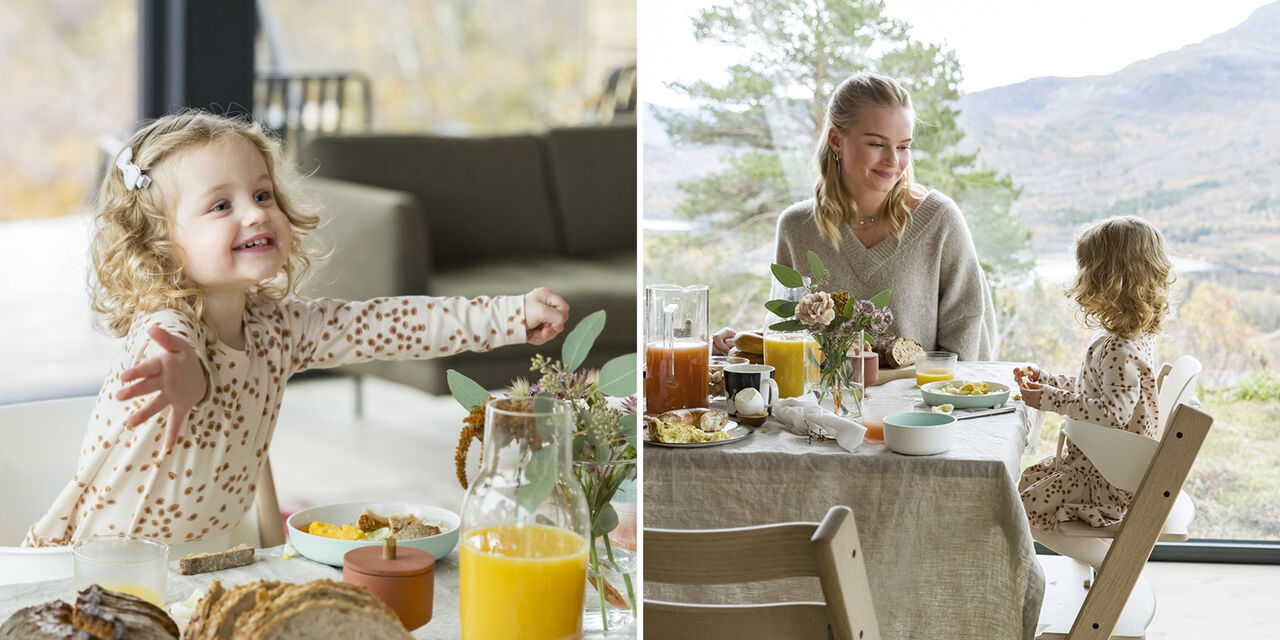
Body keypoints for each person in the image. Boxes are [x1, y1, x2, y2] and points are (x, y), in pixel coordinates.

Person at [25, 111, 569, 548]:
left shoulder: (280, 329)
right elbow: (178, 355)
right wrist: (184, 377)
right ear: (159, 245)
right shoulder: (165, 330)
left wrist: (509, 315)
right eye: (221, 205)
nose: (256, 213)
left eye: (262, 195)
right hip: (105, 567)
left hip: (209, 560)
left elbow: (391, 324)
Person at [713, 72, 996, 360]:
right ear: (836, 140)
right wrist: (738, 345)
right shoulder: (796, 228)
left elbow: (969, 344)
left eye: (903, 146)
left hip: (921, 404)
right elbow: (785, 340)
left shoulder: (940, 221)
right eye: (877, 144)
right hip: (821, 405)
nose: (893, 161)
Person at [1015, 215, 1174, 566]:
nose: (1080, 280)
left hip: (1107, 477)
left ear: (1108, 280)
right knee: (1029, 484)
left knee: (1021, 506)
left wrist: (1048, 400)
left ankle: (1111, 569)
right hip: (1100, 465)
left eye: (1086, 270)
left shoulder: (1120, 348)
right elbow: (1095, 392)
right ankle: (1106, 571)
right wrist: (1048, 381)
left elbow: (1111, 414)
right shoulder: (1132, 339)